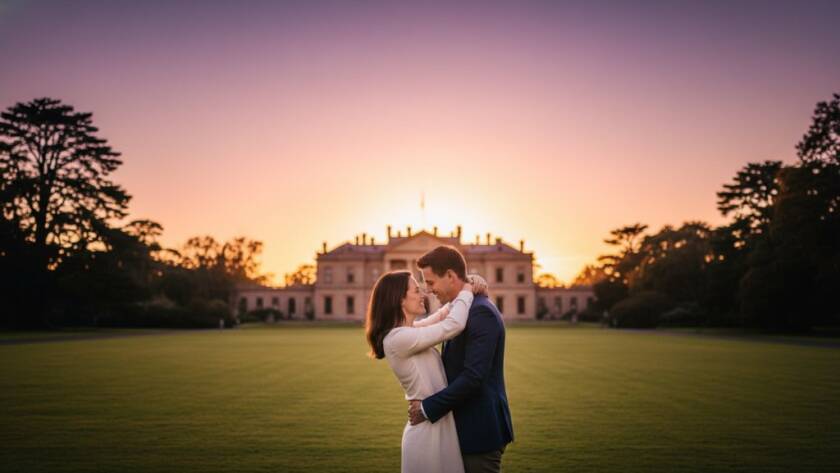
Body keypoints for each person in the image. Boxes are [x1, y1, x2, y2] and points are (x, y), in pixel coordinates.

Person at [366, 269, 487, 473]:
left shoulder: (409, 332)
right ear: (399, 299)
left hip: (438, 422)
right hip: (426, 432)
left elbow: (442, 316)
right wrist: (466, 290)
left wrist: (466, 282)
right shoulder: (398, 339)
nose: (424, 294)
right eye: (416, 291)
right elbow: (453, 325)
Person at [409, 246, 514, 473]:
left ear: (450, 275)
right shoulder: (460, 309)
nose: (429, 291)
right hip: (463, 427)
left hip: (479, 429)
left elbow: (473, 377)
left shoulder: (480, 312)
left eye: (431, 282)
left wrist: (426, 408)